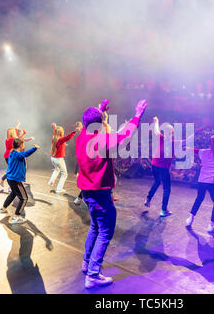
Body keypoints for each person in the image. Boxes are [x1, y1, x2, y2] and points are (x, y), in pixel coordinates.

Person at [76, 98, 147, 288]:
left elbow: (91, 123)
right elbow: (124, 135)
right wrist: (137, 115)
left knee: (94, 227)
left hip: (87, 192)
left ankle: (86, 262)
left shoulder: (82, 135)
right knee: (105, 232)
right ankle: (92, 274)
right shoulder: (100, 140)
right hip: (100, 194)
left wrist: (99, 111)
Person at [0, 139, 39, 224]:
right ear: (21, 145)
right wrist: (34, 148)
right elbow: (26, 154)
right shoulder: (18, 154)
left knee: (13, 193)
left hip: (10, 179)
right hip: (15, 180)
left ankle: (3, 208)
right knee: (24, 198)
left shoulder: (12, 153)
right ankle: (16, 217)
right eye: (23, 144)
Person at [48, 122, 82, 194]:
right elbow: (68, 137)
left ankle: (51, 181)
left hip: (53, 158)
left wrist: (55, 127)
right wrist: (75, 131)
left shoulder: (54, 138)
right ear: (61, 132)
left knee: (57, 169)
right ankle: (59, 189)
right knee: (64, 174)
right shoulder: (60, 140)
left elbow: (55, 133)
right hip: (58, 159)